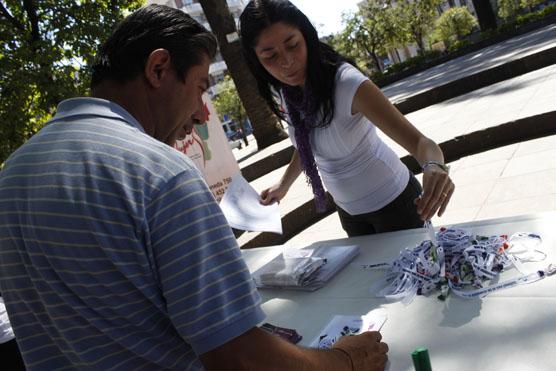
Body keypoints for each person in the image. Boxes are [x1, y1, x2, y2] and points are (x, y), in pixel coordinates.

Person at [0, 5, 388, 370]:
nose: (202, 114)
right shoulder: (159, 171)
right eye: (201, 88)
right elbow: (237, 356)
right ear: (159, 68)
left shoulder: (11, 176)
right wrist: (343, 361)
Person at [239, 0, 455, 237]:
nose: (286, 62)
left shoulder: (347, 84)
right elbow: (308, 142)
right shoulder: (286, 91)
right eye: (270, 56)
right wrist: (284, 184)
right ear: (255, 60)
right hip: (349, 213)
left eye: (292, 45)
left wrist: (434, 166)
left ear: (307, 36)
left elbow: (422, 144)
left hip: (396, 204)